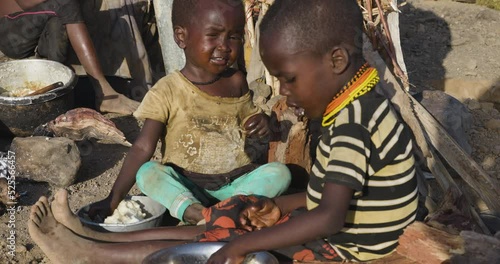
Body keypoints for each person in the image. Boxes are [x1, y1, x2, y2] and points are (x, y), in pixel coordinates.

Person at [27, 0, 417, 263]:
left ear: (336, 61)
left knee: (224, 240)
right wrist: (278, 207)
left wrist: (246, 242)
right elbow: (332, 200)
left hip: (343, 254)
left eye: (290, 78)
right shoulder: (359, 105)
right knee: (230, 216)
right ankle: (94, 237)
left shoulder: (352, 122)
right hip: (334, 233)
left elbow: (330, 216)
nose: (282, 90)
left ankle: (92, 254)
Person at [87, 0, 291, 225]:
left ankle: (224, 212)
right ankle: (199, 213)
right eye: (213, 35)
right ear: (181, 37)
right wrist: (113, 199)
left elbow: (248, 121)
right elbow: (143, 147)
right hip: (187, 184)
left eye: (234, 37)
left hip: (235, 183)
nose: (224, 46)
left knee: (279, 173)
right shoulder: (168, 89)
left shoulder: (236, 81)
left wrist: (261, 123)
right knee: (148, 172)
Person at [0, 0, 140, 115]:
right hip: (10, 30)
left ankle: (53, 99)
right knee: (65, 4)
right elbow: (26, 3)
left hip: (41, 23)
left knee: (59, 21)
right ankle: (104, 92)